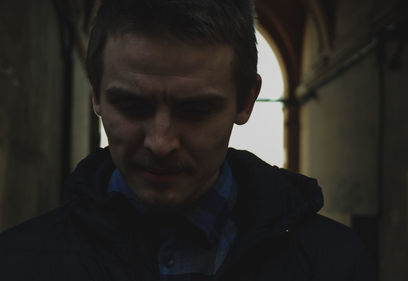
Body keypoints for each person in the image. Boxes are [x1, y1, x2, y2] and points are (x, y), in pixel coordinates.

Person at [0, 0, 374, 280]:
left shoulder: (335, 264)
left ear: (246, 100)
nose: (161, 143)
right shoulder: (16, 262)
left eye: (195, 110)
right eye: (132, 106)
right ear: (95, 92)